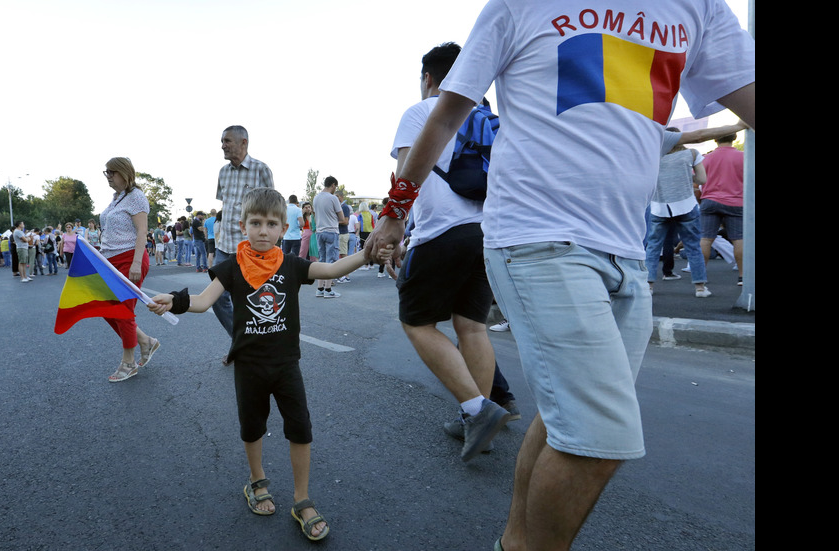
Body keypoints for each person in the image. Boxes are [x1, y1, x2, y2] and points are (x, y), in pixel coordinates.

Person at [364, 2, 754, 548]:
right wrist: (393, 211)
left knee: (562, 417)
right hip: (534, 236)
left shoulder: (698, 7)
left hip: (625, 254)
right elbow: (448, 112)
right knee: (599, 435)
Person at [146, 188, 394, 542]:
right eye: (256, 223)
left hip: (286, 364)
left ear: (283, 228)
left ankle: (301, 498)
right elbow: (202, 302)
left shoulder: (291, 266)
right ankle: (257, 480)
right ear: (243, 225)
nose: (263, 230)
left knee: (301, 428)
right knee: (252, 427)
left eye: (271, 224)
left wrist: (368, 254)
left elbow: (334, 266)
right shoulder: (231, 268)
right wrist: (174, 300)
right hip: (248, 365)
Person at [383, 41, 515, 461]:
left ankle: (476, 410)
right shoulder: (490, 117)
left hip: (442, 231)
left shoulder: (422, 111)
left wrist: (394, 228)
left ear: (428, 78)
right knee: (471, 326)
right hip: (487, 233)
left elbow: (409, 173)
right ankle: (475, 422)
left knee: (417, 322)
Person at [647, 121, 749, 297]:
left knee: (654, 247)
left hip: (660, 207)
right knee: (695, 245)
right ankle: (701, 287)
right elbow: (702, 180)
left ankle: (648, 286)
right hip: (689, 204)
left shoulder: (653, 157)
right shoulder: (692, 154)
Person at [100, 157, 161, 382]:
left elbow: (142, 232)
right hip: (109, 261)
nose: (108, 178)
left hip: (129, 259)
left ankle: (129, 363)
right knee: (106, 308)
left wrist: (136, 262)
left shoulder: (136, 196)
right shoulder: (116, 198)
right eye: (106, 173)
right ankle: (146, 340)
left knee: (123, 311)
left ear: (124, 173)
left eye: (112, 173)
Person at [212, 124, 275, 339]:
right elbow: (225, 206)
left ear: (243, 142)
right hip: (224, 246)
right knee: (217, 298)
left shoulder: (261, 170)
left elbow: (272, 208)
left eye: (227, 141)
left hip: (249, 248)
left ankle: (254, 346)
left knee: (249, 298)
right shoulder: (223, 173)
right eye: (222, 141)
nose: (223, 146)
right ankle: (239, 340)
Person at [700, 131, 746, 286]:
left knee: (706, 239)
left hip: (710, 201)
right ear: (734, 138)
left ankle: (700, 276)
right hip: (736, 202)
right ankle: (742, 276)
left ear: (715, 139)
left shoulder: (706, 158)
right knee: (738, 239)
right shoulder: (743, 156)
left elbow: (695, 180)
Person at [312, 176, 346, 297]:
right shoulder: (333, 198)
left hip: (319, 231)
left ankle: (319, 288)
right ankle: (328, 289)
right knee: (330, 261)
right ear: (332, 185)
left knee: (322, 260)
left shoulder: (315, 198)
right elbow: (342, 218)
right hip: (331, 231)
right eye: (335, 186)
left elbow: (315, 216)